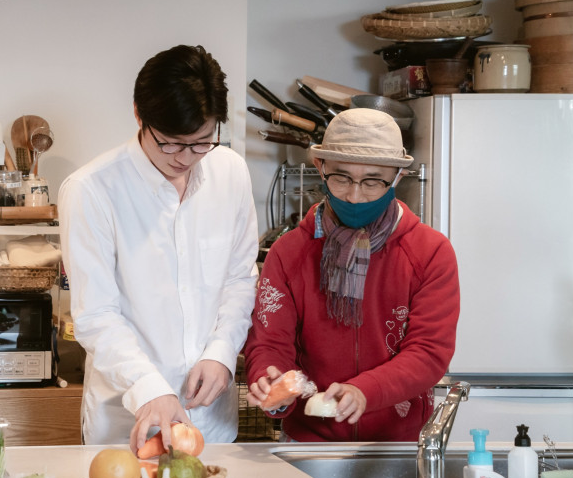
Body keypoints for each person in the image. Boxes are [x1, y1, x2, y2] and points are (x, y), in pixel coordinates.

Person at [59, 45, 259, 452]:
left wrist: (221, 353)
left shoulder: (231, 173)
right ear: (139, 115)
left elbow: (240, 279)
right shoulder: (91, 190)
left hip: (212, 423)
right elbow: (96, 314)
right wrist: (149, 387)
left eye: (201, 143)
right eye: (170, 143)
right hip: (125, 426)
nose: (185, 158)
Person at [244, 108, 460, 442]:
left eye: (373, 181)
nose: (354, 196)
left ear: (398, 176)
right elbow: (270, 343)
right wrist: (270, 381)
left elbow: (429, 352)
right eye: (341, 178)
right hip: (308, 443)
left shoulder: (430, 252)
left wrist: (366, 391)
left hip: (397, 443)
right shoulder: (288, 253)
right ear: (321, 167)